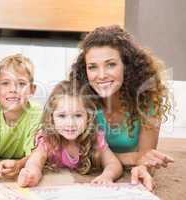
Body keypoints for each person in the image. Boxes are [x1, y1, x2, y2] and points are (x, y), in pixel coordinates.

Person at [70, 25, 174, 190]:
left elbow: (146, 156)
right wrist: (132, 158)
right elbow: (78, 156)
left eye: (111, 64)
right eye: (93, 67)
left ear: (127, 66)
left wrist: (142, 166)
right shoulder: (82, 100)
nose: (101, 75)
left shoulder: (146, 100)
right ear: (85, 70)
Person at [18, 80, 123, 187]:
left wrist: (107, 176)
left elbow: (113, 164)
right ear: (51, 118)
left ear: (88, 117)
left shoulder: (94, 138)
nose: (70, 123)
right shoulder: (48, 139)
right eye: (62, 116)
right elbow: (35, 162)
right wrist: (31, 175)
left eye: (78, 115)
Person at [0, 54, 42, 181]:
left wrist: (19, 165)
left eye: (21, 84)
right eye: (5, 83)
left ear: (32, 89)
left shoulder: (37, 113)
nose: (13, 89)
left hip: (22, 160)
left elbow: (37, 154)